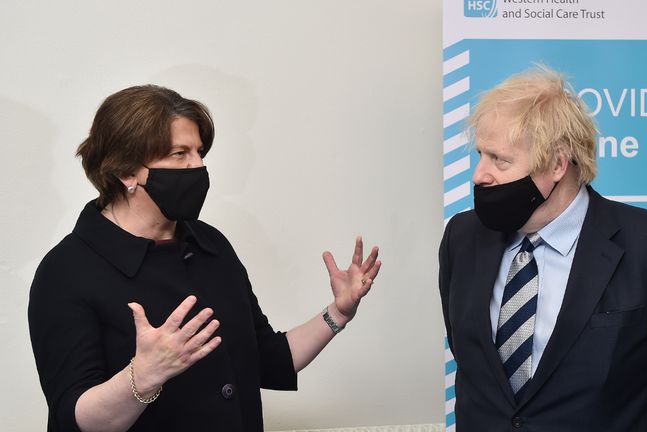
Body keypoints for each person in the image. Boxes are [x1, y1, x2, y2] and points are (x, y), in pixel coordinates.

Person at [28, 85, 382, 432]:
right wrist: (143, 377)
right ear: (126, 172)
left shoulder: (211, 245)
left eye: (200, 152)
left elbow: (267, 360)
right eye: (179, 153)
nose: (198, 166)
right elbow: (75, 419)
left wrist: (339, 312)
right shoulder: (67, 271)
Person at [438, 67, 647, 431]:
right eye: (481, 154)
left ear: (558, 164)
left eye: (500, 160)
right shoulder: (463, 237)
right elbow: (470, 359)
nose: (479, 175)